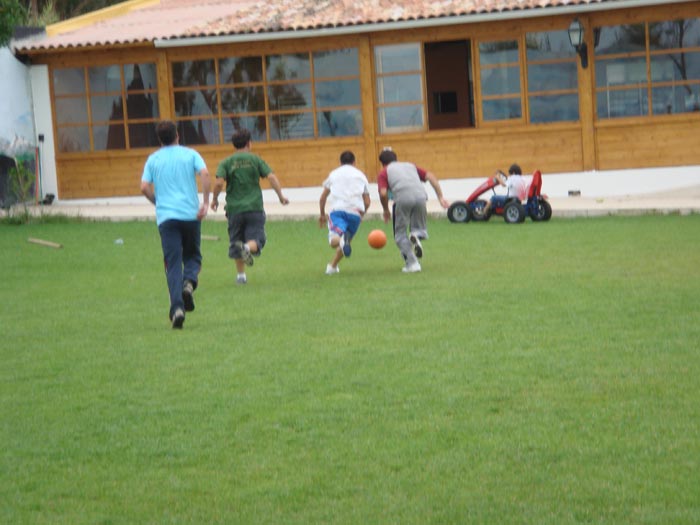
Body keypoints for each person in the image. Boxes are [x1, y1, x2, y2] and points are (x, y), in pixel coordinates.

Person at [140, 120, 211, 329]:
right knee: (193, 256)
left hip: (167, 218)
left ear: (159, 139)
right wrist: (205, 202)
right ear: (177, 135)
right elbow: (205, 174)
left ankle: (177, 309)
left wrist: (157, 201)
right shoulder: (190, 154)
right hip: (190, 215)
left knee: (172, 264)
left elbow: (144, 187)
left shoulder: (153, 159)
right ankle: (189, 282)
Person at [211, 128, 289, 284]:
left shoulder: (226, 162)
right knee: (257, 239)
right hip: (254, 207)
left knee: (236, 241)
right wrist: (281, 196)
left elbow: (219, 183)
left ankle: (241, 276)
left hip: (234, 210)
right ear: (249, 143)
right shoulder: (256, 160)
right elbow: (271, 177)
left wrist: (214, 199)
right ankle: (246, 248)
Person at [377, 148, 450, 273]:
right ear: (396, 159)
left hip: (403, 199)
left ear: (382, 163)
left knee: (400, 235)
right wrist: (440, 197)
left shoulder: (384, 172)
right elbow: (431, 177)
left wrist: (385, 210)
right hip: (421, 197)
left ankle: (412, 264)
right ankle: (416, 235)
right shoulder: (410, 166)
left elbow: (383, 193)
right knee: (418, 229)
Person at [318, 150, 371, 275]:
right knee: (345, 242)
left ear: (340, 162)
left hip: (338, 210)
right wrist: (361, 215)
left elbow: (323, 198)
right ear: (354, 162)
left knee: (334, 241)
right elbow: (367, 201)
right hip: (355, 213)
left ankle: (342, 241)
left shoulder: (334, 174)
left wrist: (322, 214)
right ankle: (332, 267)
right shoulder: (361, 176)